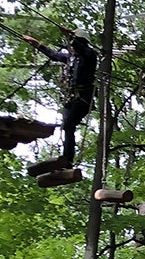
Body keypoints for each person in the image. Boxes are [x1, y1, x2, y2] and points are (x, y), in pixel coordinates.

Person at [22, 27, 97, 169]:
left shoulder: (90, 55)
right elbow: (53, 54)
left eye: (74, 44)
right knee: (67, 128)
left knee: (68, 125)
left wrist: (70, 36)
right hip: (72, 99)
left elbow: (80, 48)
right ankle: (66, 160)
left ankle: (68, 159)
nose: (71, 47)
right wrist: (37, 44)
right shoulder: (70, 58)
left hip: (83, 99)